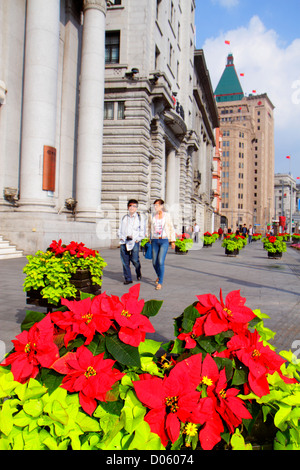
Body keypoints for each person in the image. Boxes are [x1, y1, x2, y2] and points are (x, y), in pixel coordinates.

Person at [148, 199, 176, 290]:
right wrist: (149, 238)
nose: (155, 207)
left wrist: (173, 241)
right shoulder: (151, 216)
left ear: (162, 206)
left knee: (160, 261)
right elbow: (149, 227)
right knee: (154, 262)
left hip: (164, 240)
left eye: (157, 205)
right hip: (155, 240)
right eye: (154, 205)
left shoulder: (167, 216)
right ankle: (159, 275)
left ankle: (160, 282)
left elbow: (171, 228)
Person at [119, 199, 145, 285]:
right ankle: (128, 278)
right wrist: (121, 237)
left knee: (135, 260)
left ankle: (138, 271)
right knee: (125, 261)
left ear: (136, 208)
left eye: (134, 206)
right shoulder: (124, 218)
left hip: (135, 242)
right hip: (124, 241)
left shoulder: (140, 218)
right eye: (130, 206)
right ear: (128, 207)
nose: (132, 208)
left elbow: (142, 231)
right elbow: (120, 229)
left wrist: (138, 239)